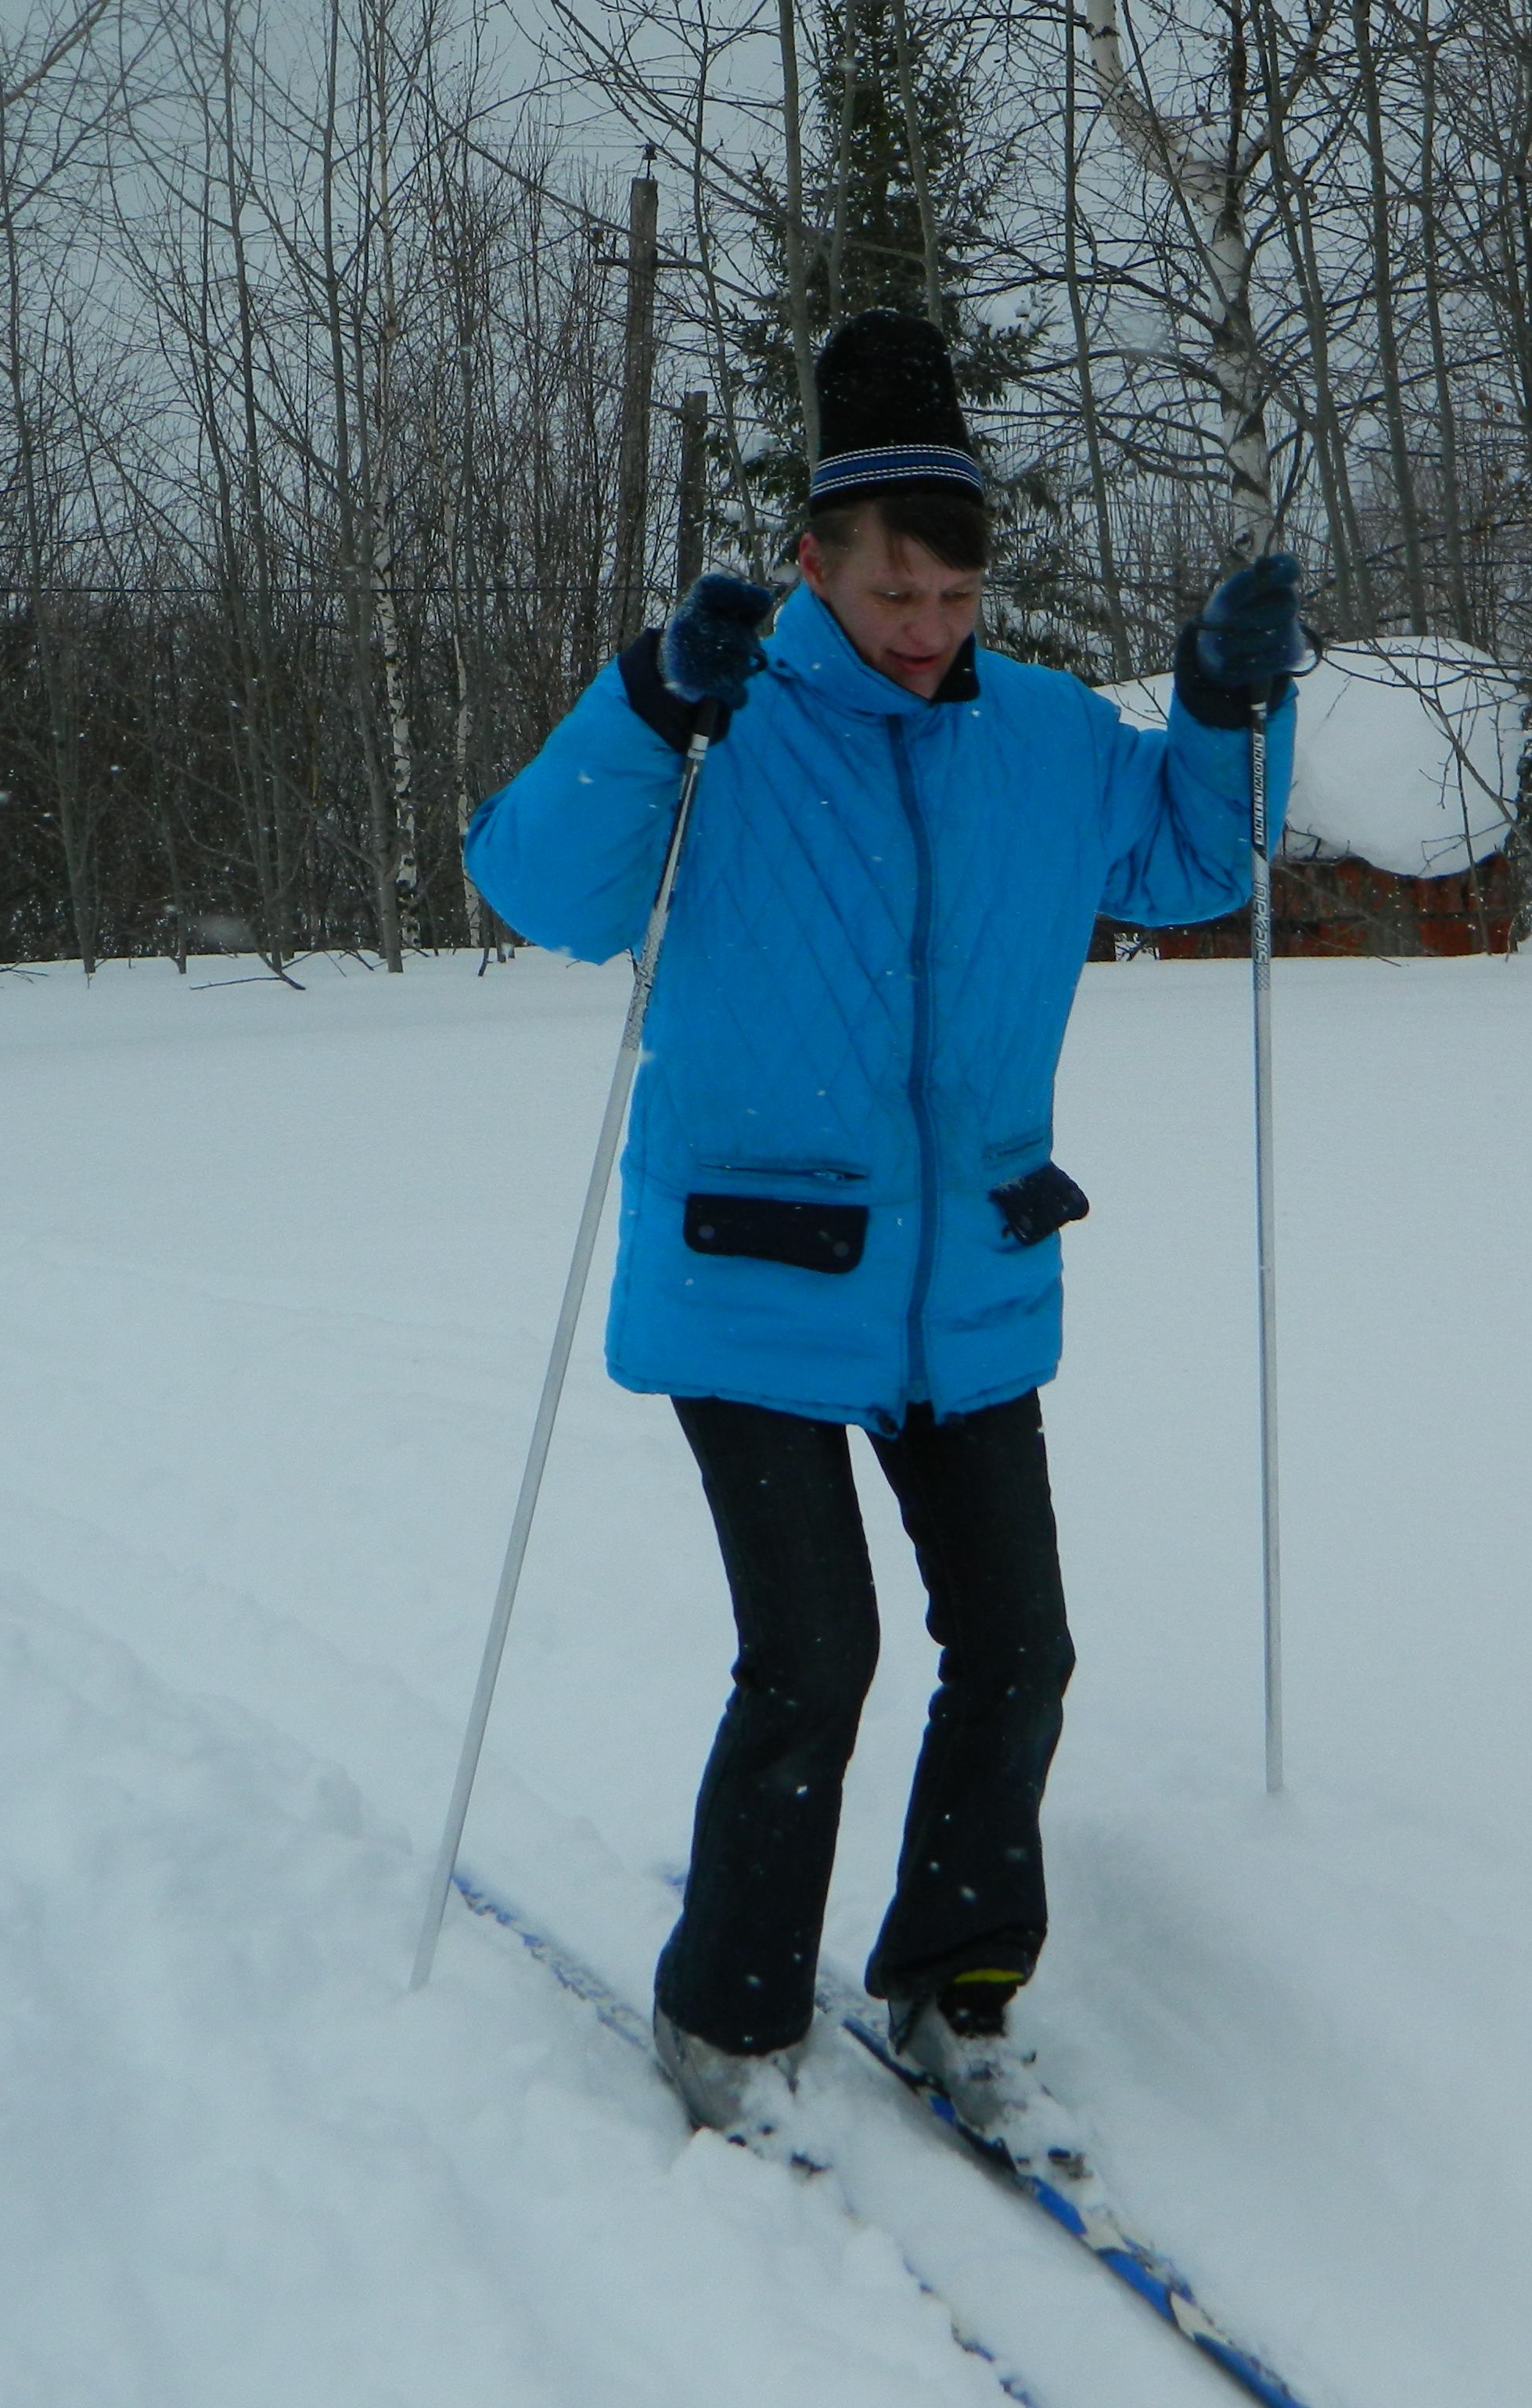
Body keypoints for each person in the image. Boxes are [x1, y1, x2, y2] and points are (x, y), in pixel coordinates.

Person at [465, 311, 1304, 2157]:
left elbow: (1191, 861)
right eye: (890, 587)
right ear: (813, 568)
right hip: (751, 1278)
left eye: (953, 586)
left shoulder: (1049, 733)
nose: (925, 624)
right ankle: (730, 2013)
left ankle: (956, 1984)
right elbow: (537, 887)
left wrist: (1235, 705)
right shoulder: (724, 727)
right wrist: (648, 701)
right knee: (815, 1654)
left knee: (1021, 1650)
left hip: (972, 1277)